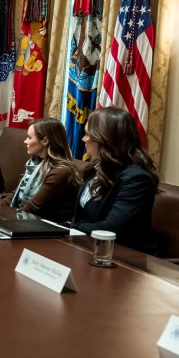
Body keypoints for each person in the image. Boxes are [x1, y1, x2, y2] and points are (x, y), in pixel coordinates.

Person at [72, 106, 158, 252]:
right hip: (88, 247)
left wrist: (76, 226)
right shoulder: (95, 168)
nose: (83, 139)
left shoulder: (137, 178)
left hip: (126, 258)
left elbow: (110, 230)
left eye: (88, 134)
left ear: (105, 138)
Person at [7, 117, 81, 222]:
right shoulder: (35, 163)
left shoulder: (61, 171)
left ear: (44, 141)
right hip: (31, 222)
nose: (25, 141)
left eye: (29, 137)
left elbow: (32, 208)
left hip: (53, 230)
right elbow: (14, 196)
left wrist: (4, 218)